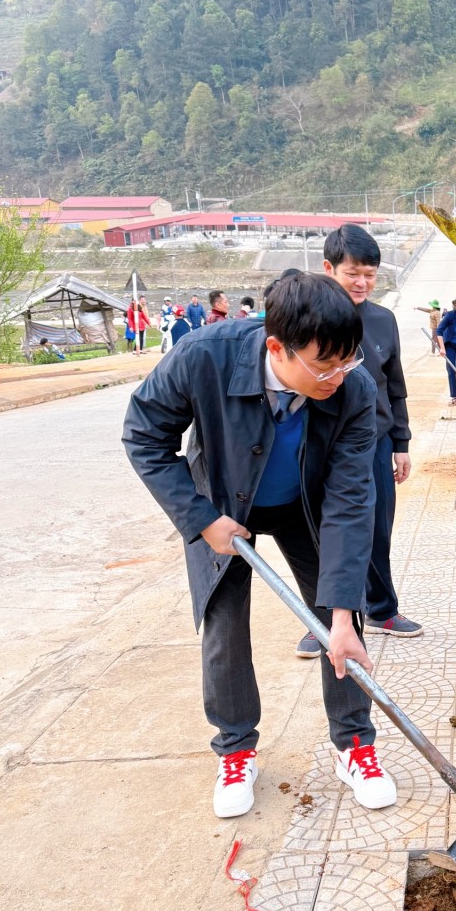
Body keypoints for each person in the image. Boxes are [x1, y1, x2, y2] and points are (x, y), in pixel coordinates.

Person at [122, 272, 397, 818]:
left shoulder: (355, 390)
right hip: (222, 503)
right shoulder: (204, 356)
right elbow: (143, 434)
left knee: (339, 621)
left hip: (306, 504)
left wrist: (343, 614)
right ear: (277, 348)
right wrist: (201, 519)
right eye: (324, 366)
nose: (338, 377)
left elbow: (349, 500)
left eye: (348, 362)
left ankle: (354, 744)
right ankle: (235, 749)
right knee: (223, 623)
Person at [293, 222, 420, 654]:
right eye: (353, 273)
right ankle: (323, 620)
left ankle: (382, 608)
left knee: (377, 526)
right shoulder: (306, 317)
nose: (362, 282)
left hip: (376, 441)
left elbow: (395, 386)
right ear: (329, 268)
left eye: (370, 273)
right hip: (318, 444)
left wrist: (400, 444)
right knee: (320, 529)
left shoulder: (384, 321)